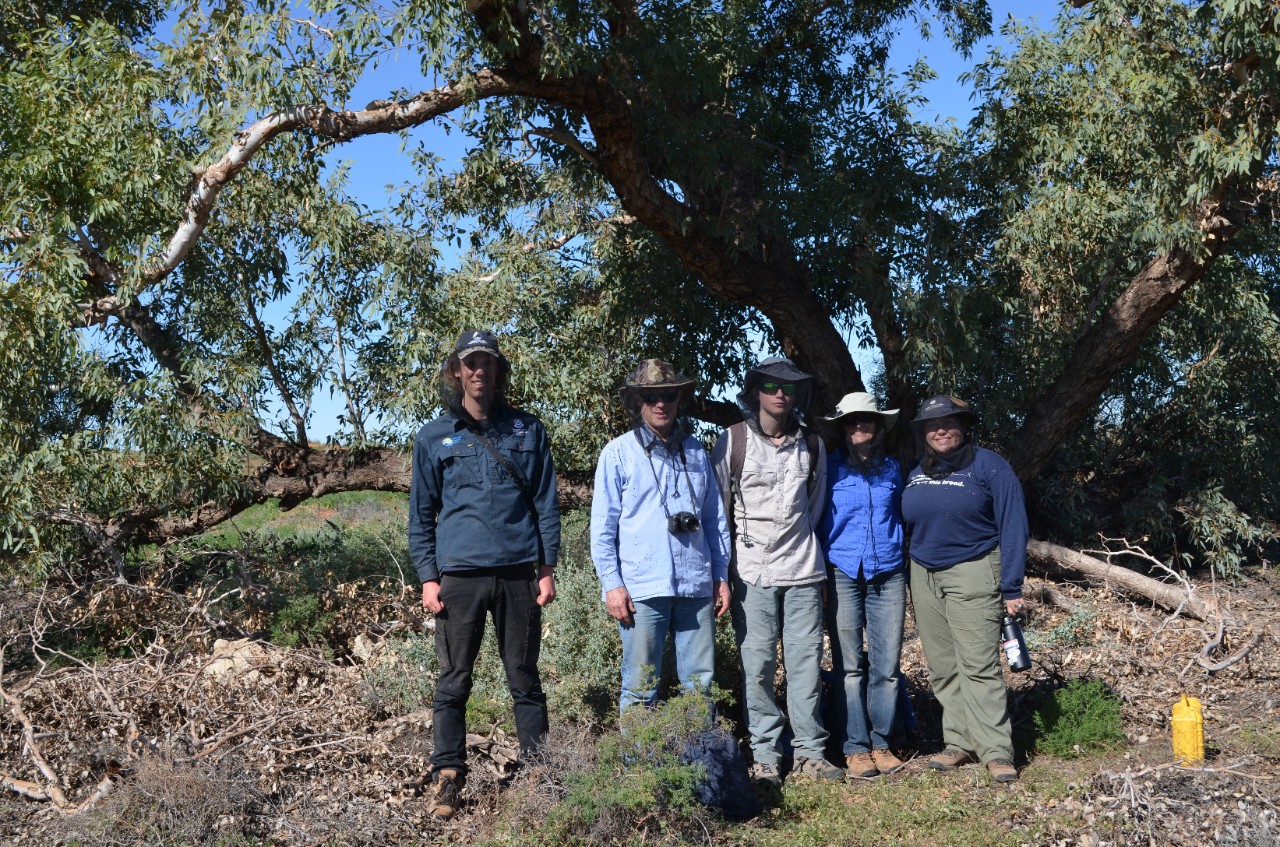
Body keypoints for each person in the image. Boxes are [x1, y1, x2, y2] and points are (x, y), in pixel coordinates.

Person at [408, 329, 561, 819]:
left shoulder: (526, 430)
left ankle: (540, 770)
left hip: (518, 573)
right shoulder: (434, 436)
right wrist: (429, 578)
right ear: (457, 371)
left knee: (524, 676)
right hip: (460, 578)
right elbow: (421, 515)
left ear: (498, 372)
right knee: (454, 680)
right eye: (470, 363)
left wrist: (547, 566)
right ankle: (448, 775)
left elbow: (544, 503)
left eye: (487, 364)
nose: (479, 371)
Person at [712, 357, 843, 784]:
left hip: (804, 570)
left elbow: (816, 505)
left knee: (806, 665)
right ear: (756, 392)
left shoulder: (814, 444)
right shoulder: (732, 442)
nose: (779, 393)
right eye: (770, 385)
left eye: (787, 386)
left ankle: (809, 752)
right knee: (759, 667)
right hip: (751, 574)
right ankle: (766, 756)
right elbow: (719, 511)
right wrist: (724, 573)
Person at [590, 359, 732, 711]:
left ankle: (700, 763)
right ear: (638, 401)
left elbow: (714, 521)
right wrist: (612, 583)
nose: (661, 404)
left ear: (678, 399)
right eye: (651, 396)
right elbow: (602, 527)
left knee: (700, 687)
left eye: (668, 395)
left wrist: (720, 575)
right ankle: (639, 766)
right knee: (640, 688)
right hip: (642, 588)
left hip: (696, 586)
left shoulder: (697, 451)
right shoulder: (618, 453)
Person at [900, 394, 1028, 784]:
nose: (940, 430)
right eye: (931, 425)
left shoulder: (990, 466)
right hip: (923, 573)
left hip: (973, 570)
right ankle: (958, 742)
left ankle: (996, 750)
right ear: (922, 433)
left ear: (964, 427)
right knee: (942, 665)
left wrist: (1011, 586)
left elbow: (1013, 524)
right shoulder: (917, 471)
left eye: (949, 423)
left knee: (978, 665)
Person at [818, 392, 908, 779]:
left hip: (888, 573)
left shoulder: (894, 469)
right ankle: (855, 747)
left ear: (878, 427)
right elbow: (815, 519)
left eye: (866, 421)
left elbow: (905, 515)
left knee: (886, 667)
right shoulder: (830, 470)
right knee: (849, 666)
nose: (859, 427)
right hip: (842, 572)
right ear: (842, 427)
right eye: (852, 421)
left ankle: (882, 743)